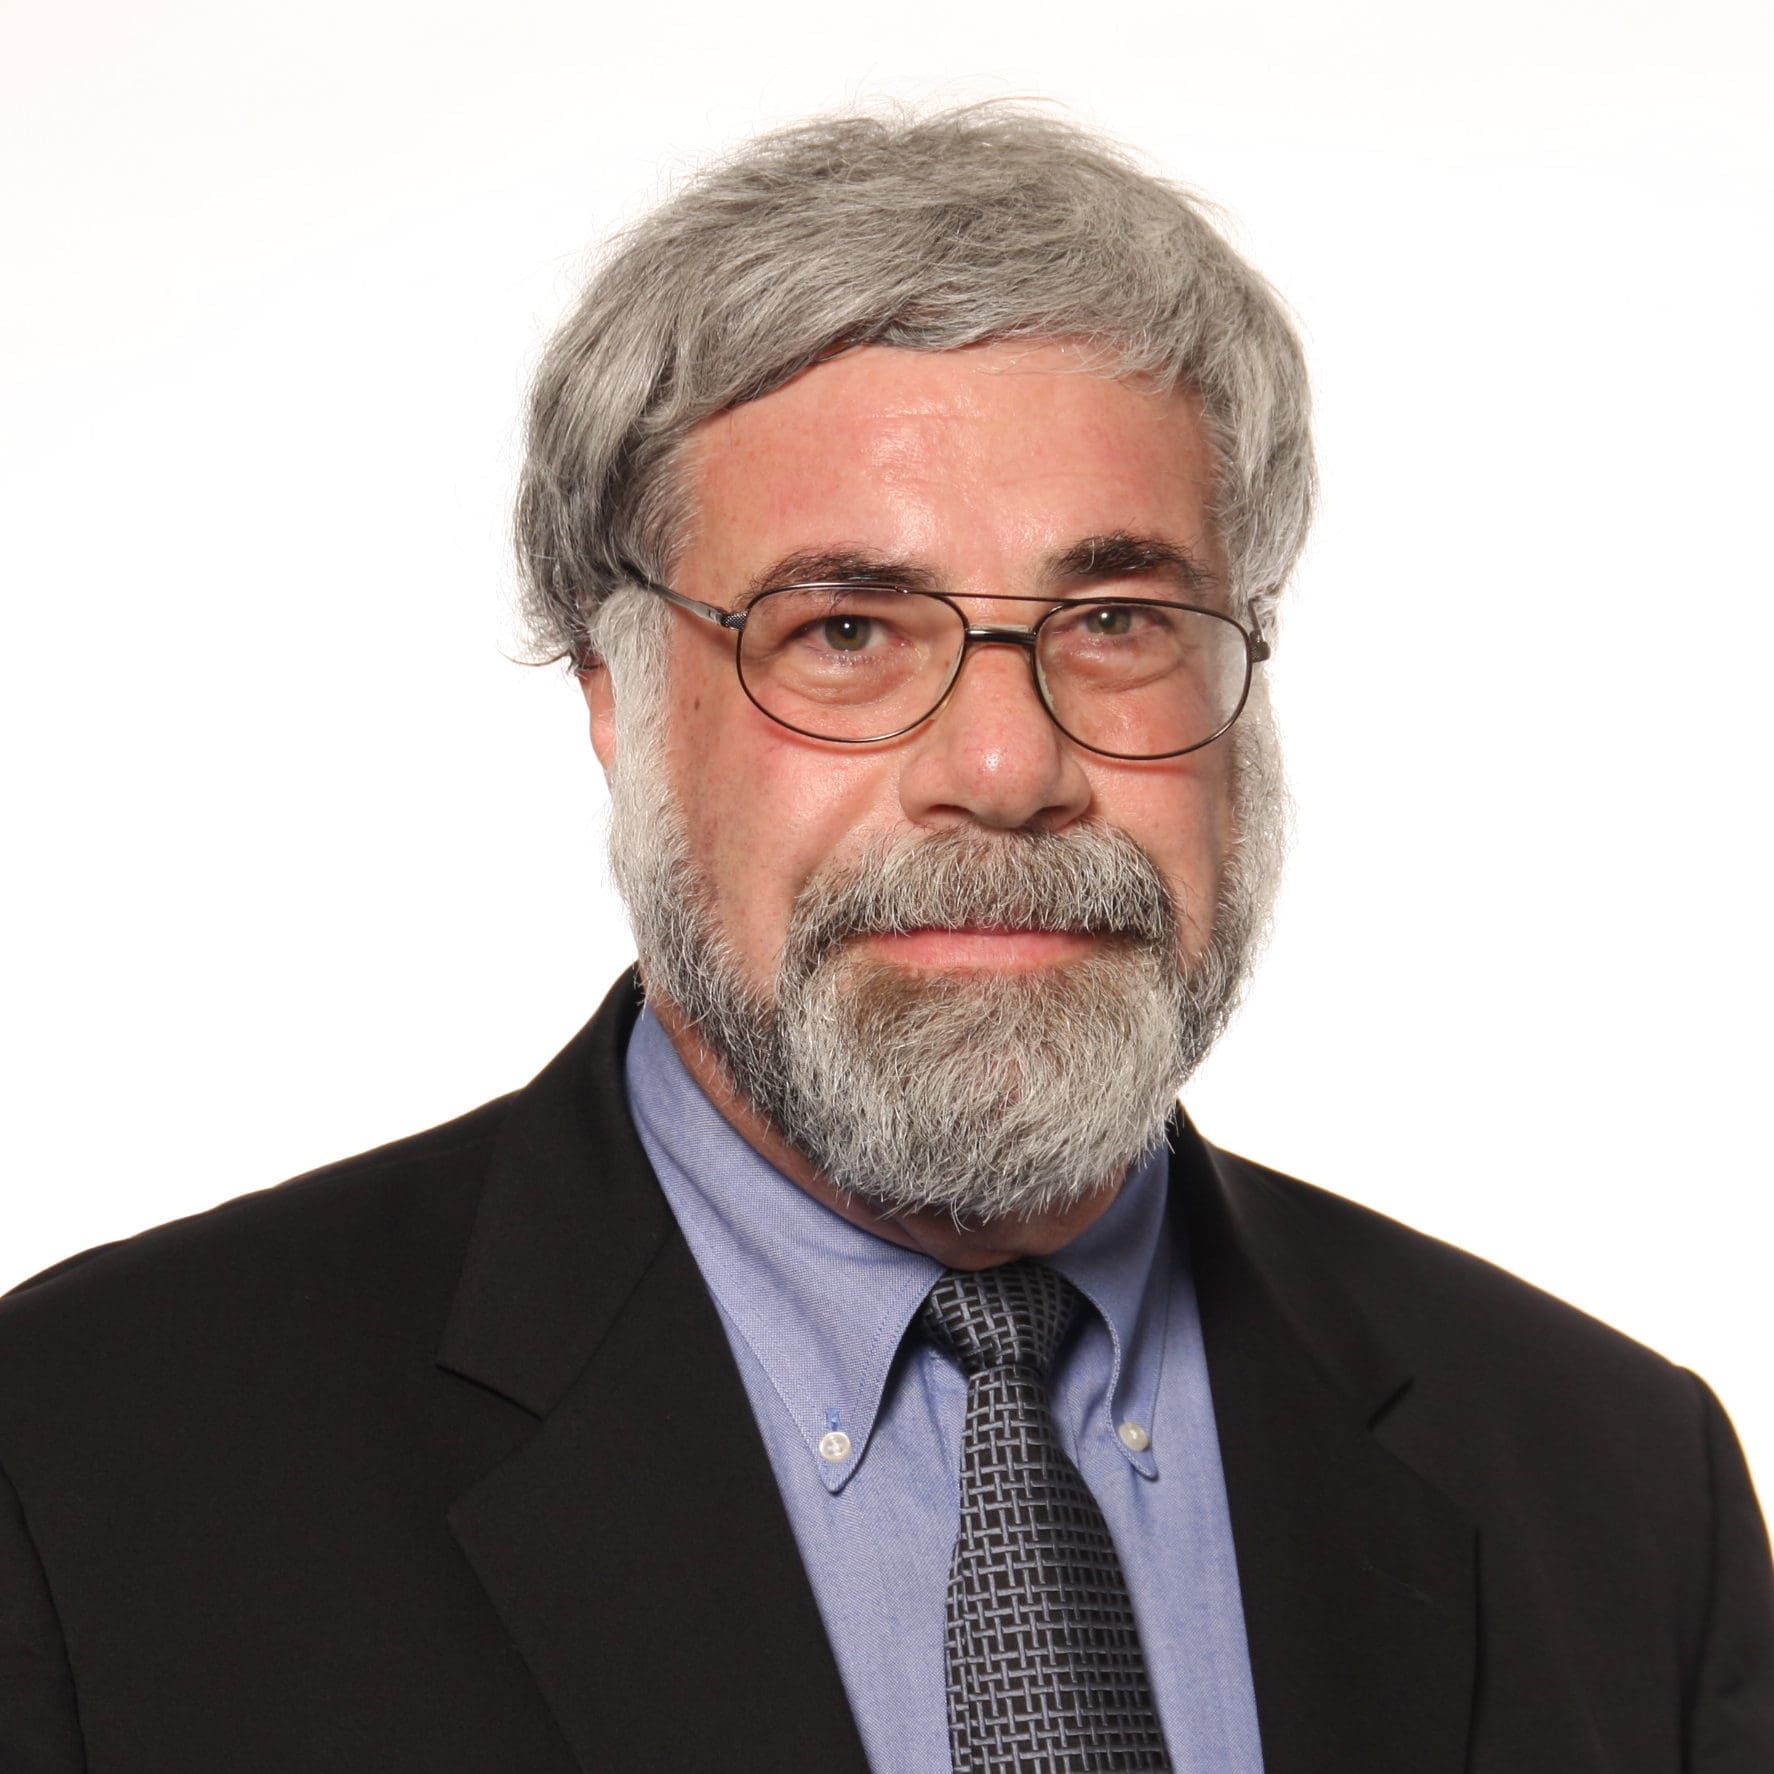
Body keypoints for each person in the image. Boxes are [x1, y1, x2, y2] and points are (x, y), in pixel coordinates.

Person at [1, 104, 1768, 1774]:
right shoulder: (90, 1468)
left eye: (1116, 617)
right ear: (616, 696)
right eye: (844, 629)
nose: (1005, 769)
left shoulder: (1620, 1490)